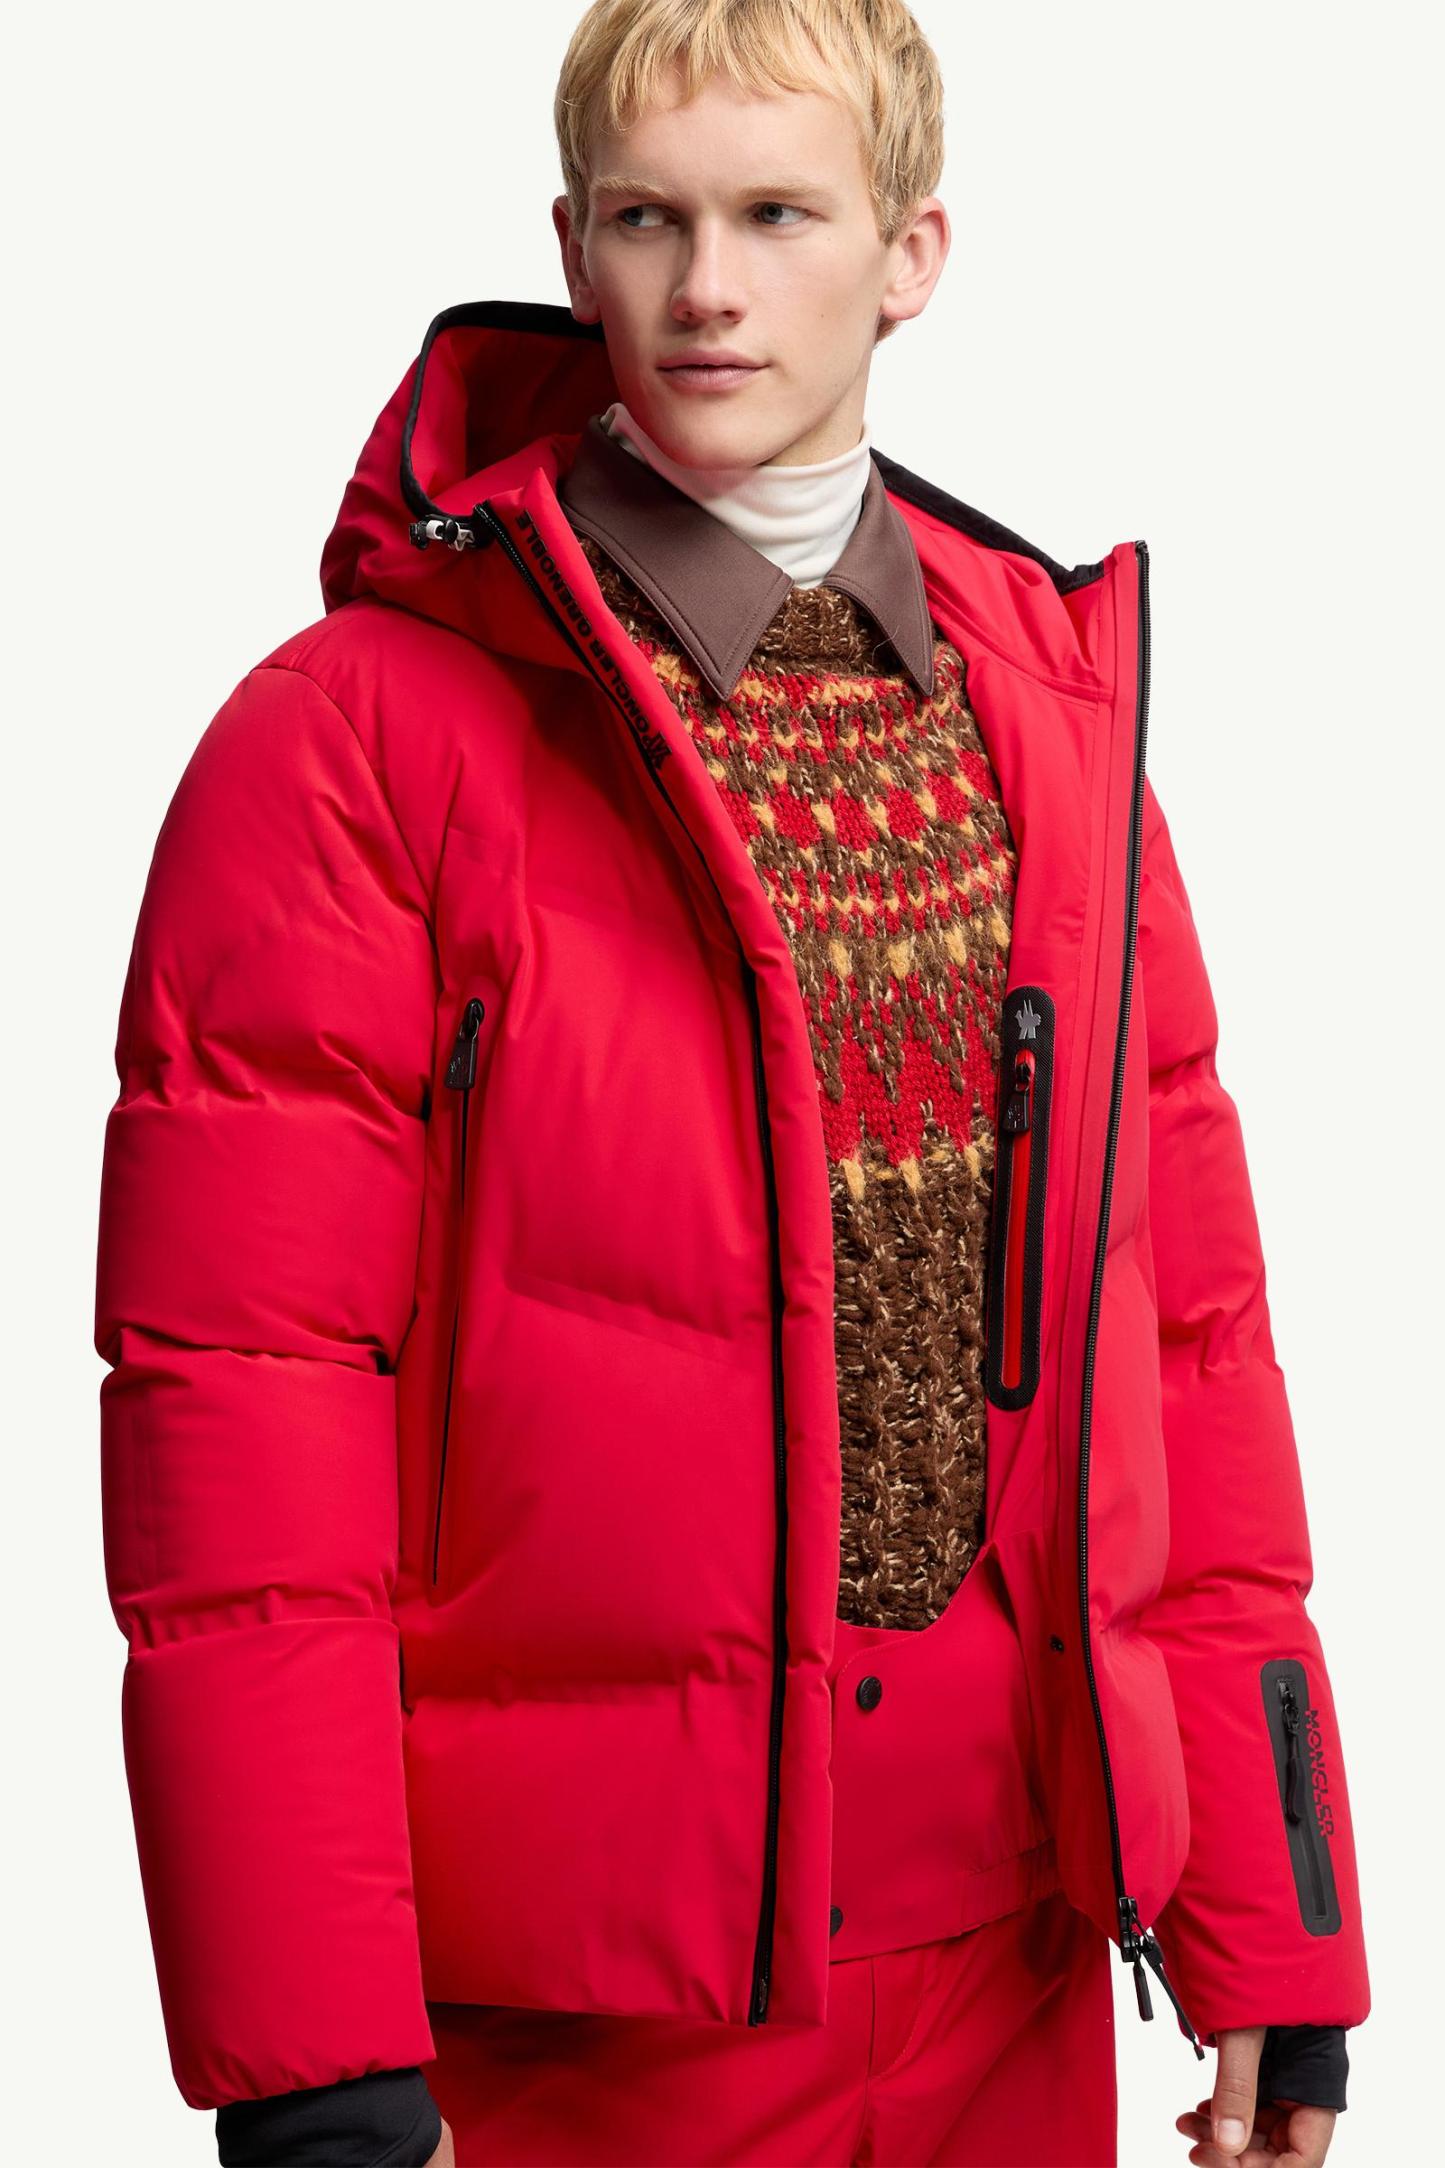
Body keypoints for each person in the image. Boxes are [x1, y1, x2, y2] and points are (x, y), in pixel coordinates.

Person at [93, 3, 1370, 2163]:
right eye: (647, 220)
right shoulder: (354, 744)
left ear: (909, 252)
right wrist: (310, 2062)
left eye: (778, 215)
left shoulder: (1054, 725)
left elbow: (1188, 1353)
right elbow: (242, 1405)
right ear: (570, 249)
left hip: (1012, 1949)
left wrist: (1277, 1931)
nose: (706, 287)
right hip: (584, 2004)